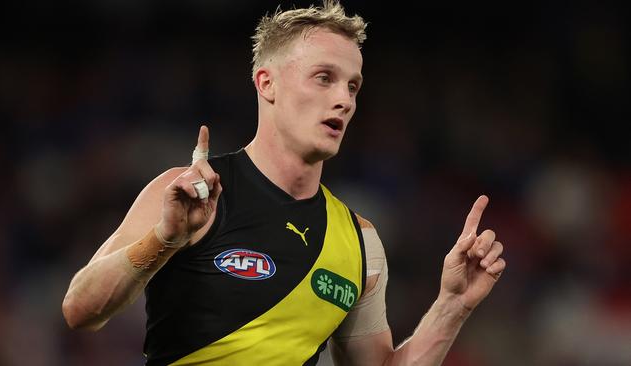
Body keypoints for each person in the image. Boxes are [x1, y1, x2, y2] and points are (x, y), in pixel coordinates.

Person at [62, 1, 506, 365]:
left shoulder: (358, 241)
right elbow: (80, 311)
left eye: (353, 86)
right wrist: (164, 237)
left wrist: (453, 305)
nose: (344, 100)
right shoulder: (189, 195)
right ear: (267, 82)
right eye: (324, 78)